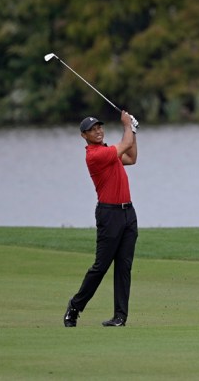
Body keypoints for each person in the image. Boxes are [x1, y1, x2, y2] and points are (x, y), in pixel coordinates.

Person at [64, 111, 138, 327]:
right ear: (83, 136)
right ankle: (75, 306)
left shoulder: (108, 151)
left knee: (124, 266)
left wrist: (133, 131)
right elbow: (124, 145)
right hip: (109, 214)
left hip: (128, 213)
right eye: (92, 129)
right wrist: (128, 126)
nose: (97, 131)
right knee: (101, 266)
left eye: (99, 127)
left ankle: (120, 317)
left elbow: (132, 158)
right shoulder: (94, 155)